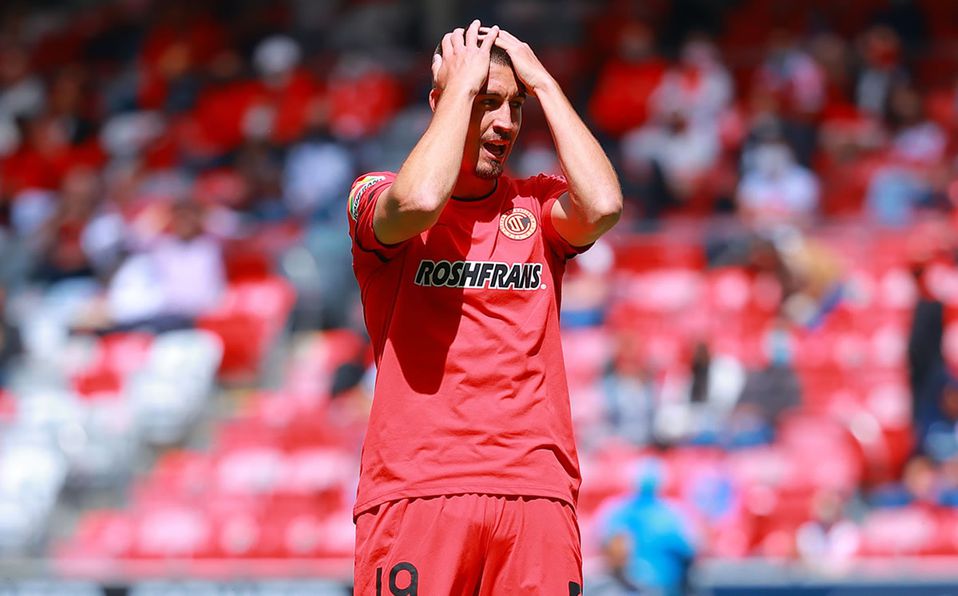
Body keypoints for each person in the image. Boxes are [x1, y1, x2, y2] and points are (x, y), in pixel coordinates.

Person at [347, 20, 622, 594]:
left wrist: (543, 83)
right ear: (441, 104)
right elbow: (420, 200)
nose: (505, 123)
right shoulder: (376, 194)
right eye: (485, 102)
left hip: (536, 487)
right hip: (418, 488)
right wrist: (460, 87)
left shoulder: (537, 204)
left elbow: (602, 206)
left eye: (514, 106)